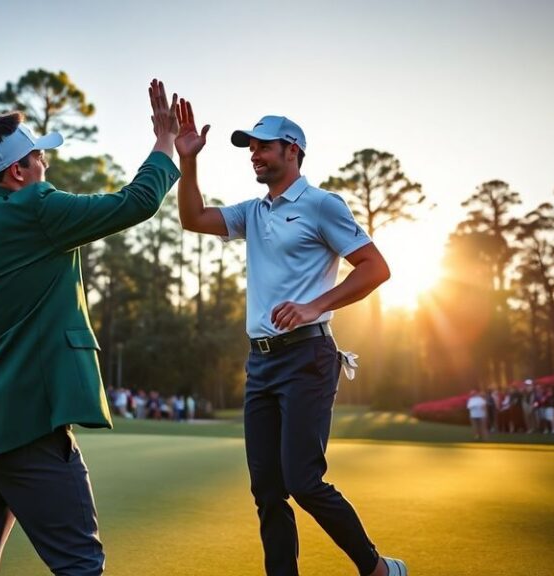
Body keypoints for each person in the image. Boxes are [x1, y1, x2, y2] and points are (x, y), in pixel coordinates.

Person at [0, 78, 180, 576]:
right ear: (18, 171)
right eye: (39, 160)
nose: (46, 166)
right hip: (24, 423)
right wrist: (166, 142)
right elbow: (137, 203)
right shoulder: (35, 208)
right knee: (80, 565)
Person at [174, 102, 406, 576]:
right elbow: (193, 218)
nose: (254, 154)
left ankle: (377, 568)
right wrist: (189, 159)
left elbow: (376, 268)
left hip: (308, 356)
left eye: (263, 146)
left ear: (292, 151)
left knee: (302, 480)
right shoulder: (253, 212)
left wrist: (314, 305)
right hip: (260, 363)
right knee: (267, 490)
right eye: (250, 147)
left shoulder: (321, 205)